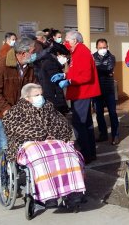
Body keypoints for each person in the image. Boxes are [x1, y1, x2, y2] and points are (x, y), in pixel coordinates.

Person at [50, 31, 101, 163]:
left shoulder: (81, 52)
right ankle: (90, 153)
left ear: (74, 40)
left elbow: (85, 76)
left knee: (79, 124)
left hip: (82, 92)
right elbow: (76, 71)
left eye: (67, 40)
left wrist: (69, 81)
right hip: (81, 92)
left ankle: (85, 154)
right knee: (86, 123)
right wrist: (65, 76)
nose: (65, 42)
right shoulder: (77, 52)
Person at [0, 38, 38, 161]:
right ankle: (3, 175)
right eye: (33, 51)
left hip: (17, 111)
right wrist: (6, 110)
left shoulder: (29, 67)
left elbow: (32, 87)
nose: (35, 54)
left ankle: (14, 169)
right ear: (23, 53)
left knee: (19, 143)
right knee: (4, 144)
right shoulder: (1, 65)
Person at [1, 83, 73, 162]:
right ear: (26, 98)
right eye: (36, 95)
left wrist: (52, 136)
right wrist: (42, 135)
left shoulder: (49, 108)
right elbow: (18, 130)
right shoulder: (15, 112)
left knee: (68, 153)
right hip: (29, 146)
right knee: (38, 156)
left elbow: (64, 125)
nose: (40, 97)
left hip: (51, 142)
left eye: (41, 94)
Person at [93, 38, 119, 145]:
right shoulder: (92, 57)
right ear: (96, 48)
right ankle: (103, 134)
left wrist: (97, 68)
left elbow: (109, 69)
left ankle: (115, 135)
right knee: (99, 114)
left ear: (107, 47)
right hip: (97, 89)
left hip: (109, 89)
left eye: (104, 47)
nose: (103, 49)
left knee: (112, 113)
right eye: (100, 48)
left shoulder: (111, 57)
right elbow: (94, 70)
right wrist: (104, 70)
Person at [34, 39, 70, 114]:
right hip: (42, 98)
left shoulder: (48, 62)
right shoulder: (37, 62)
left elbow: (57, 85)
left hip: (52, 101)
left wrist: (61, 105)